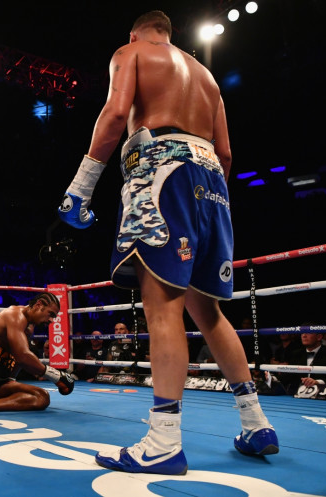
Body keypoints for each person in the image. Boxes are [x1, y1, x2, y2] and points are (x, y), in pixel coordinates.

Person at [57, 11, 277, 475]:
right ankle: (256, 423)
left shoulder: (131, 52)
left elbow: (117, 113)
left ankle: (162, 441)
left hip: (161, 172)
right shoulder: (207, 77)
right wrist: (206, 200)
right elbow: (228, 152)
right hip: (212, 181)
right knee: (208, 311)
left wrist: (80, 186)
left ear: (134, 33)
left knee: (163, 307)